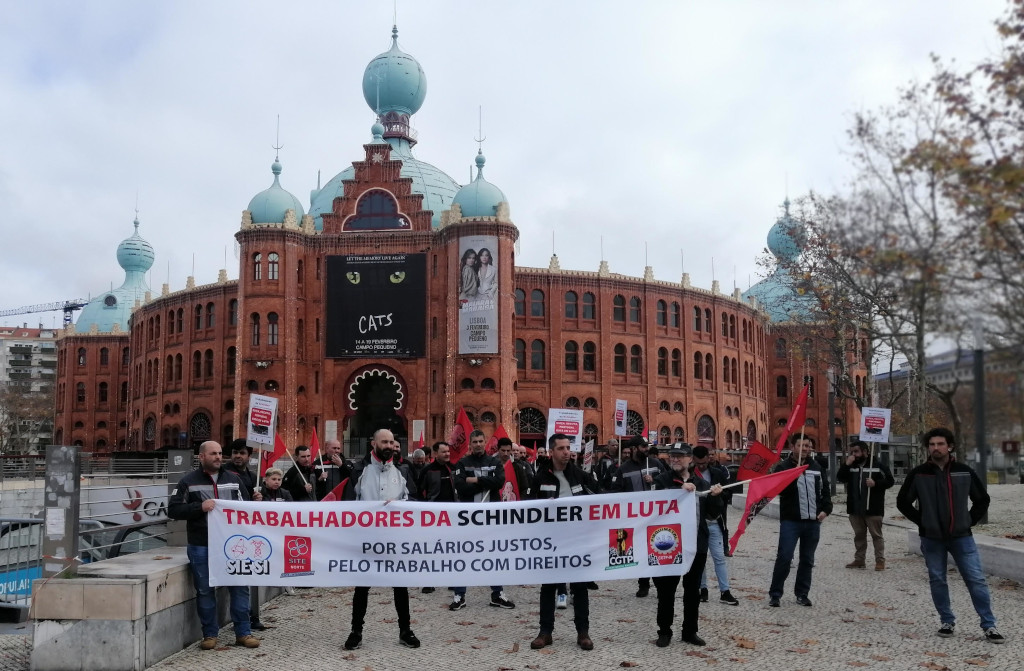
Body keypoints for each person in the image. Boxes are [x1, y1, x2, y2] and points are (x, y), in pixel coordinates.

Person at [896, 428, 1004, 643]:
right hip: (931, 538)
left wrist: (968, 520)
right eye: (932, 444)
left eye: (940, 444)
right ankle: (947, 621)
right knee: (937, 579)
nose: (936, 448)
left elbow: (982, 499)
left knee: (976, 579)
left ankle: (989, 625)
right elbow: (903, 502)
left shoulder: (964, 471)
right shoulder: (918, 474)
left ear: (950, 446)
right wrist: (922, 521)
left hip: (962, 537)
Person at [168, 441, 260, 650]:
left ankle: (243, 633)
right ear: (201, 457)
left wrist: (257, 502)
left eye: (220, 453)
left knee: (239, 589)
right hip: (202, 544)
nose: (219, 457)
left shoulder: (234, 480)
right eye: (213, 454)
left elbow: (246, 510)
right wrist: (199, 507)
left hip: (232, 546)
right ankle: (210, 634)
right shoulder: (187, 481)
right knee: (205, 590)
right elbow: (173, 510)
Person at [343, 429, 421, 650]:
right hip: (366, 539)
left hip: (394, 539)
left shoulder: (403, 471)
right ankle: (356, 631)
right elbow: (348, 503)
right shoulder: (359, 470)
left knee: (400, 586)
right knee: (362, 587)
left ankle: (405, 630)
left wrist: (398, 507)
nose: (388, 446)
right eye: (384, 442)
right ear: (373, 443)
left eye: (391, 442)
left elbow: (413, 500)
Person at [528, 433, 600, 651]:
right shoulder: (540, 478)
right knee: (548, 587)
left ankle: (583, 632)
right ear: (551, 452)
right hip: (551, 542)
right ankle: (545, 632)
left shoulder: (579, 476)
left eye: (568, 447)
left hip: (577, 540)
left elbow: (600, 498)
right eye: (561, 448)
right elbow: (530, 509)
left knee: (579, 587)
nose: (567, 452)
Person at [652, 444, 725, 647]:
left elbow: (712, 514)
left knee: (692, 592)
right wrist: (678, 491)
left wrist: (717, 498)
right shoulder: (661, 482)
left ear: (689, 460)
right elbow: (652, 507)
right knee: (666, 591)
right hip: (668, 545)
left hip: (695, 545)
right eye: (672, 456)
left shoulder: (702, 484)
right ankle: (664, 631)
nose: (675, 460)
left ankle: (690, 631)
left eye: (679, 457)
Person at [451, 430, 514, 610]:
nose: (478, 444)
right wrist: (485, 481)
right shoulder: (462, 463)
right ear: (470, 444)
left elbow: (499, 483)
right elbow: (460, 486)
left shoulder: (494, 462)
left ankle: (497, 594)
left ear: (485, 442)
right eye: (475, 442)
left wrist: (474, 479)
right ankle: (459, 595)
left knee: (493, 554)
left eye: (481, 441)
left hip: (490, 517)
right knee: (463, 555)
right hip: (468, 517)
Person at [768, 435, 832, 608]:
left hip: (812, 521)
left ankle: (802, 594)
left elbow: (825, 490)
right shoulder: (783, 467)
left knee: (807, 559)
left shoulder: (817, 466)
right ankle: (775, 594)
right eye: (801, 445)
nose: (805, 448)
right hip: (791, 520)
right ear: (793, 447)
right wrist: (792, 476)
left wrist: (826, 510)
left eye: (808, 446)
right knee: (785, 557)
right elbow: (777, 489)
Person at [610, 436, 667, 598]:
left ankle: (659, 583)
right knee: (641, 551)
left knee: (655, 549)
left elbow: (669, 482)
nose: (646, 449)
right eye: (643, 446)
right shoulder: (624, 469)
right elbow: (616, 492)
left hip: (655, 516)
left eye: (647, 446)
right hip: (634, 518)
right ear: (634, 448)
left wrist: (654, 480)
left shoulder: (656, 465)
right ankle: (643, 583)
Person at [837, 440, 894, 571]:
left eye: (856, 451)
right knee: (859, 536)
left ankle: (880, 560)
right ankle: (859, 559)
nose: (853, 454)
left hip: (873, 508)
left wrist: (876, 483)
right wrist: (846, 464)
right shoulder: (851, 466)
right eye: (851, 452)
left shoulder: (878, 466)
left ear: (865, 452)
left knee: (876, 536)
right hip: (855, 508)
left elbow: (890, 481)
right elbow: (840, 477)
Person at [692, 445, 738, 606]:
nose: (701, 466)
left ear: (709, 459)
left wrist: (719, 494)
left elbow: (728, 493)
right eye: (698, 464)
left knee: (719, 557)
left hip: (714, 521)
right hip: (698, 523)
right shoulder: (690, 475)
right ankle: (702, 589)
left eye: (703, 463)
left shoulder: (718, 473)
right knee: (700, 558)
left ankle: (725, 591)